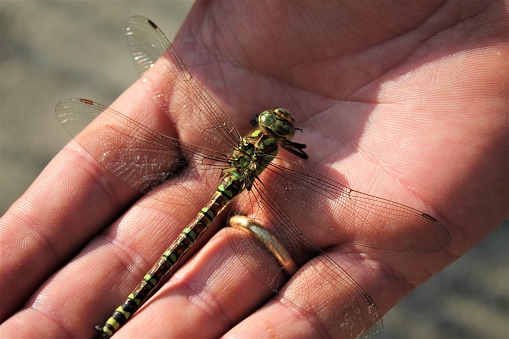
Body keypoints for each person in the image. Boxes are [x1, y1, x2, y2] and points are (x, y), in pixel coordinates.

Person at [1, 1, 507, 337]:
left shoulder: (246, 141)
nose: (276, 125)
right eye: (275, 127)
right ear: (275, 139)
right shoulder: (283, 162)